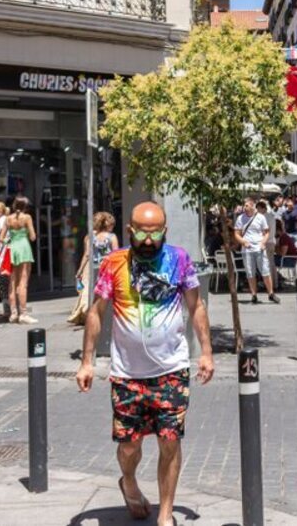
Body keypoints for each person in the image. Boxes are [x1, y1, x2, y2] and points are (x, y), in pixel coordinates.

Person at [76, 202, 213, 526]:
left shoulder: (179, 259)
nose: (148, 240)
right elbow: (96, 312)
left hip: (171, 369)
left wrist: (206, 351)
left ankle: (165, 515)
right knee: (129, 445)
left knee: (170, 439)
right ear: (129, 231)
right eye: (141, 233)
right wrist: (87, 361)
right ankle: (130, 482)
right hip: (127, 373)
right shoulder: (113, 263)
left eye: (154, 233)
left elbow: (196, 307)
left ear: (164, 231)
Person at [233, 197, 278, 305]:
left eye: (247, 205)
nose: (245, 207)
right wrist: (243, 242)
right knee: (250, 273)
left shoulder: (261, 217)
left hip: (259, 248)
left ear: (253, 206)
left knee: (265, 271)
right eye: (244, 205)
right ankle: (254, 294)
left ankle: (271, 293)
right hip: (247, 249)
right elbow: (236, 234)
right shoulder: (240, 218)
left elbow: (266, 232)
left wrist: (263, 242)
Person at [1, 196, 38, 324]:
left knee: (12, 282)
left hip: (12, 249)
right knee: (23, 283)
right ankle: (23, 313)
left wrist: (11, 240)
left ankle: (13, 313)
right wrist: (27, 233)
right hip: (23, 248)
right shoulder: (27, 218)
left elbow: (1, 238)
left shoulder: (8, 219)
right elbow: (33, 237)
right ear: (25, 207)